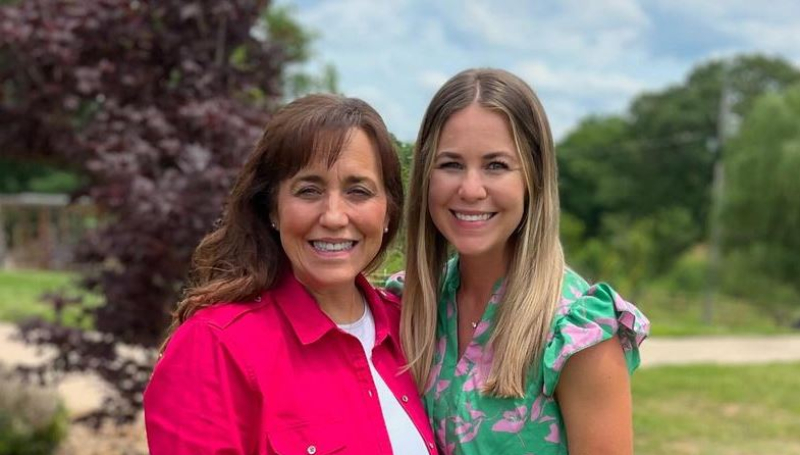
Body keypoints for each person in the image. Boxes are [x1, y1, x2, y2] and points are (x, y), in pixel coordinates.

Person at [144, 94, 438, 455]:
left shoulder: (413, 331)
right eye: (309, 190)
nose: (333, 216)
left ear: (388, 212)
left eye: (358, 191)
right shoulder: (214, 348)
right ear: (272, 208)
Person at [394, 68, 650, 455]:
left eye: (496, 165)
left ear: (533, 177)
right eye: (450, 164)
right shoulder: (405, 307)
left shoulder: (577, 332)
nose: (471, 189)